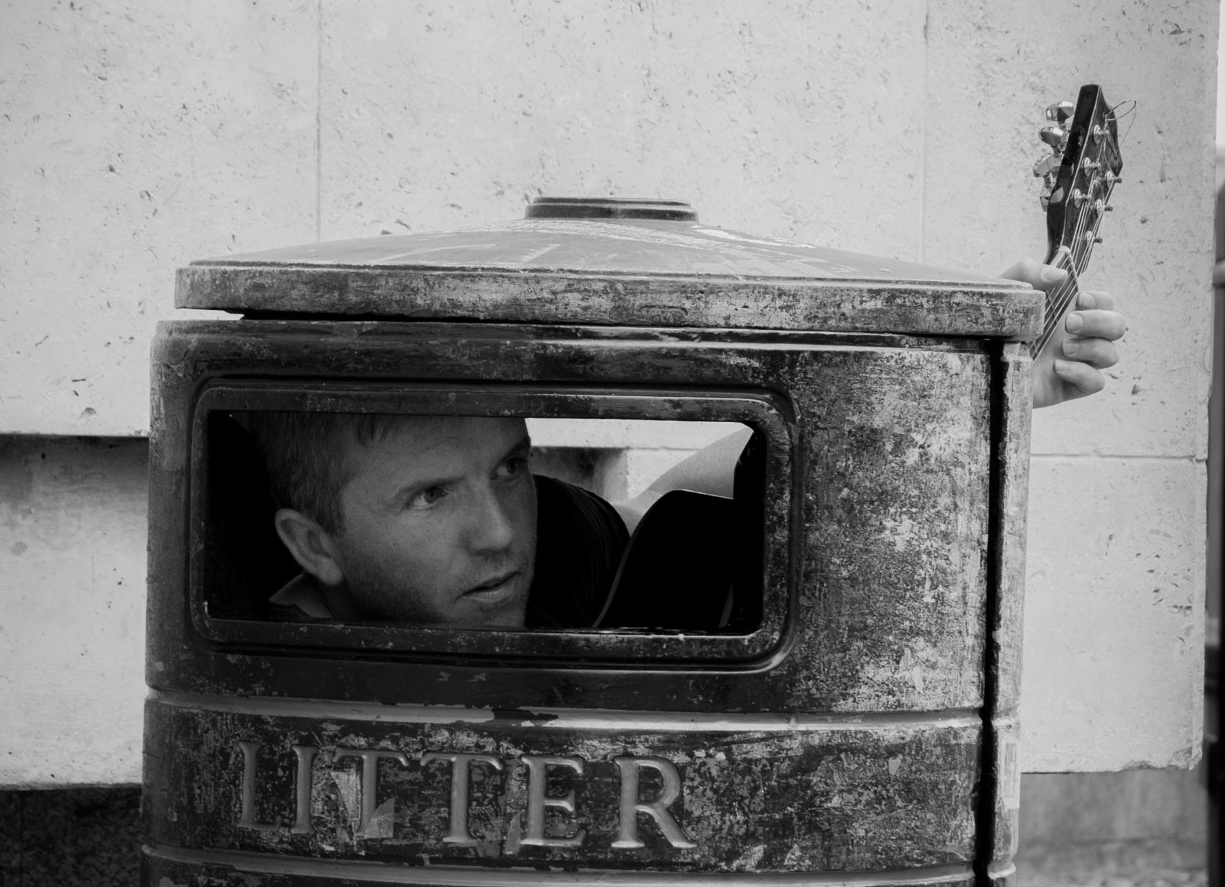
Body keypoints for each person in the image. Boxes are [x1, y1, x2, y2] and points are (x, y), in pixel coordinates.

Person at [251, 263, 1126, 633]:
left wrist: (970, 385)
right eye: (431, 496)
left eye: (510, 467)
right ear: (313, 543)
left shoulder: (557, 539)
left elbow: (691, 507)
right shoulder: (266, 681)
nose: (498, 534)